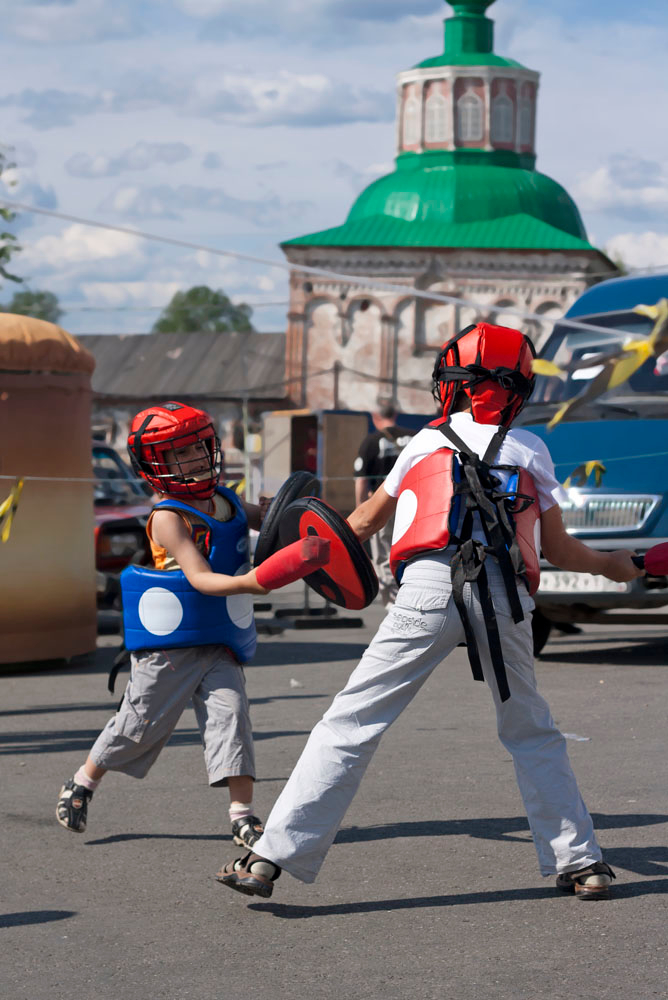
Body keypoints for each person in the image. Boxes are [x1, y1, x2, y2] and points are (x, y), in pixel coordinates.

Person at [217, 323, 644, 902]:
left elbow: (358, 526)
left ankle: (269, 858)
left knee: (350, 724)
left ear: (455, 384)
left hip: (425, 590)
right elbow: (563, 552)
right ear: (518, 390)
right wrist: (616, 565)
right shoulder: (532, 449)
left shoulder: (424, 442)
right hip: (503, 597)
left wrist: (280, 529)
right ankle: (583, 862)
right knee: (531, 730)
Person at [55, 401, 322, 850]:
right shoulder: (167, 517)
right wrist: (252, 581)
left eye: (200, 447)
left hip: (220, 639)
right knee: (137, 726)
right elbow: (198, 576)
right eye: (181, 453)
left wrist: (296, 512)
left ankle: (242, 816)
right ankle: (83, 781)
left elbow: (275, 522)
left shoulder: (228, 499)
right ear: (157, 464)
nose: (197, 458)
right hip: (171, 645)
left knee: (232, 716)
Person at [353, 401, 416, 606]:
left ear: (374, 416)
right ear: (395, 414)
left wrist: (362, 509)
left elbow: (361, 480)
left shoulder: (371, 441)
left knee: (383, 553)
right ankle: (412, 590)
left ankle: (395, 601)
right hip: (413, 502)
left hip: (383, 503)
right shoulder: (415, 437)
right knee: (411, 547)